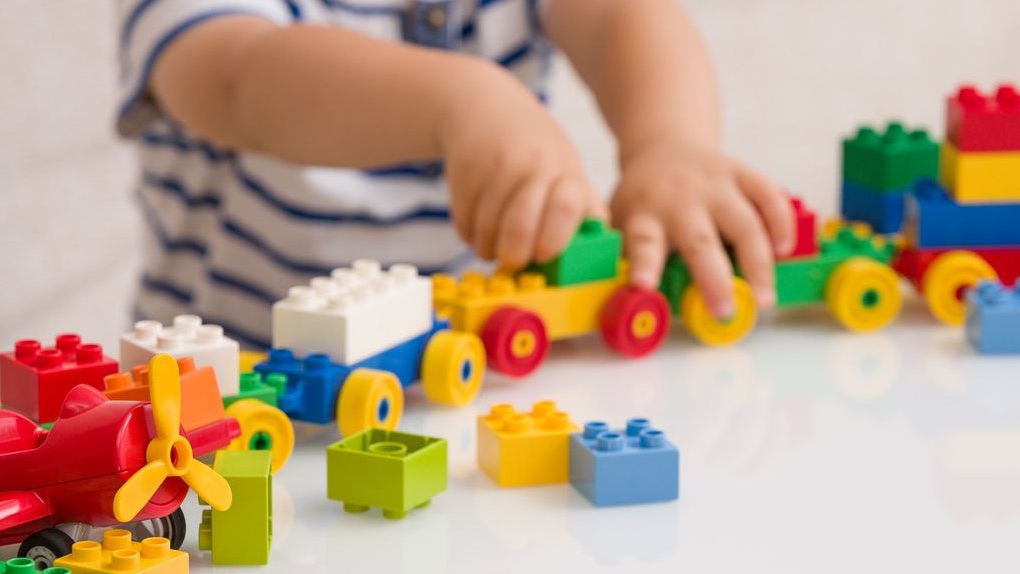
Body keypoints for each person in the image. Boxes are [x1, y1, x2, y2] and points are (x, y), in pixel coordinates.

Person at [117, 0, 794, 348]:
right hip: (228, 386)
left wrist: (668, 140)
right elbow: (237, 78)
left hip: (462, 359)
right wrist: (460, 100)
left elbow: (622, 16)